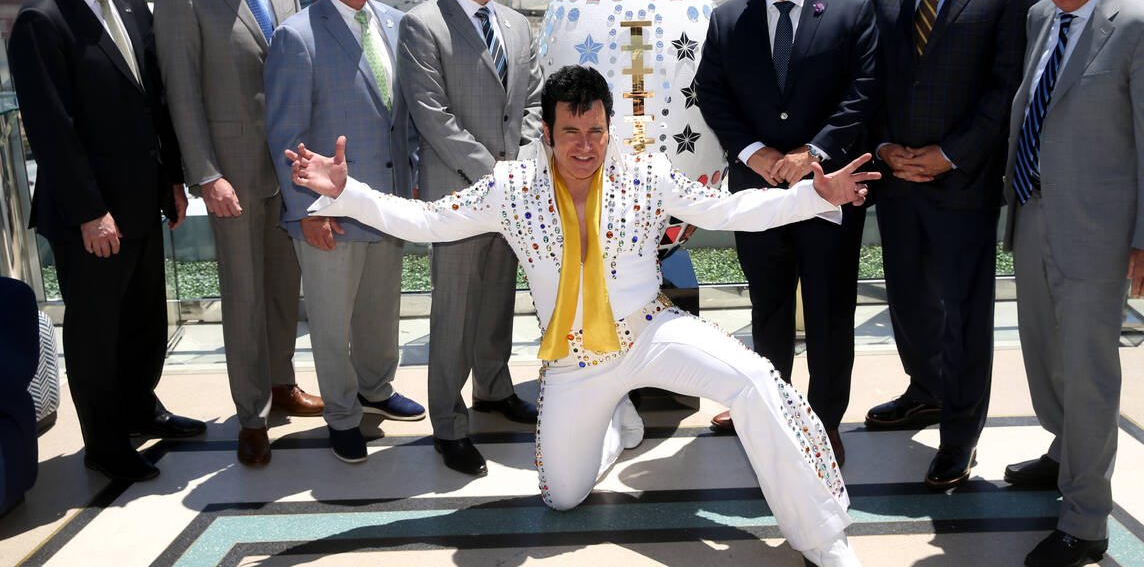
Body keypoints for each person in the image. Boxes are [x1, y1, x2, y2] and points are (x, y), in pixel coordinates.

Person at [288, 65, 877, 567]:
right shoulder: (511, 186)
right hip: (573, 359)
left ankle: (823, 535)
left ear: (609, 127)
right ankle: (618, 427)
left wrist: (812, 198)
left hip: (651, 331)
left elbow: (728, 208)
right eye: (570, 132)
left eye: (596, 130)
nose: (585, 146)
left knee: (752, 380)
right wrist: (349, 193)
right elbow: (428, 222)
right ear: (546, 132)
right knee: (561, 496)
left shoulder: (645, 174)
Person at [1001, 0, 1144, 567]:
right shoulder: (1040, 17)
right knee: (1044, 356)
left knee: (1088, 375)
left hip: (1099, 236)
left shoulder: (1142, 25)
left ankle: (1085, 519)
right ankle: (1062, 453)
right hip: (1032, 217)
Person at [7, 0, 202, 483]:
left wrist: (171, 179)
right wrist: (92, 212)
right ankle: (105, 443)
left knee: (146, 317)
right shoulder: (40, 20)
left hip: (143, 201)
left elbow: (156, 103)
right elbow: (52, 130)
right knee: (96, 332)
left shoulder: (133, 4)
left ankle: (141, 407)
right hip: (89, 215)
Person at [864, 0, 1039, 490]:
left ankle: (960, 437)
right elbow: (877, 78)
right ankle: (926, 390)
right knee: (908, 299)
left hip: (962, 183)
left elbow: (1007, 87)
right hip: (898, 178)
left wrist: (949, 154)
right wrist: (885, 146)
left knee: (964, 315)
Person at [695, 0, 879, 464]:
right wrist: (758, 154)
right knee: (768, 313)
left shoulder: (851, 12)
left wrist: (812, 153)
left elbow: (864, 91)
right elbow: (712, 93)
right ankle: (772, 416)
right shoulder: (729, 19)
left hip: (828, 189)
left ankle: (825, 426)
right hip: (759, 193)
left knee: (829, 313)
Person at [154, 0, 321, 468]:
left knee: (283, 286)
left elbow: (299, 61)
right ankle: (251, 414)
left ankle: (281, 385)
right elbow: (181, 92)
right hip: (231, 174)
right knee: (245, 293)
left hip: (289, 166)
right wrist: (205, 174)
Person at [264, 0, 424, 463]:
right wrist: (307, 211)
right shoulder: (298, 36)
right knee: (331, 321)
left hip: (387, 204)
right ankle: (342, 415)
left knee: (381, 311)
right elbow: (285, 134)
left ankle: (376, 389)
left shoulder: (399, 25)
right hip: (328, 210)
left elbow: (404, 120)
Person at [397, 0, 544, 477]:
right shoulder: (422, 25)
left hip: (511, 193)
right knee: (454, 311)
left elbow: (532, 102)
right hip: (459, 195)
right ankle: (448, 424)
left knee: (497, 300)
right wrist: (496, 177)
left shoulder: (516, 23)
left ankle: (493, 387)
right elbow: (433, 117)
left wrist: (523, 165)